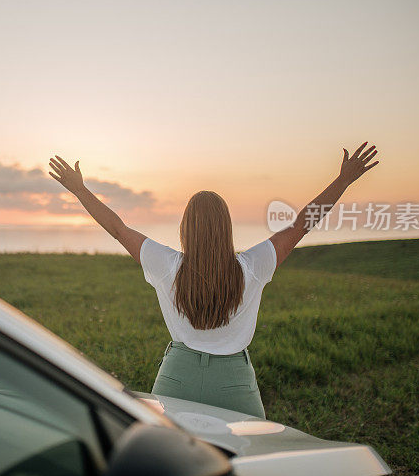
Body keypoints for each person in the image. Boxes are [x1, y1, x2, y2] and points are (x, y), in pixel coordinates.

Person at [48, 142, 379, 417]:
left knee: (168, 460)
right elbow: (299, 226)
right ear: (227, 227)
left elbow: (118, 228)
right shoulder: (252, 266)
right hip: (234, 380)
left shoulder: (166, 265)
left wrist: (80, 190)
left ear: (185, 228)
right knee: (252, 459)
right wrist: (344, 181)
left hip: (178, 376)